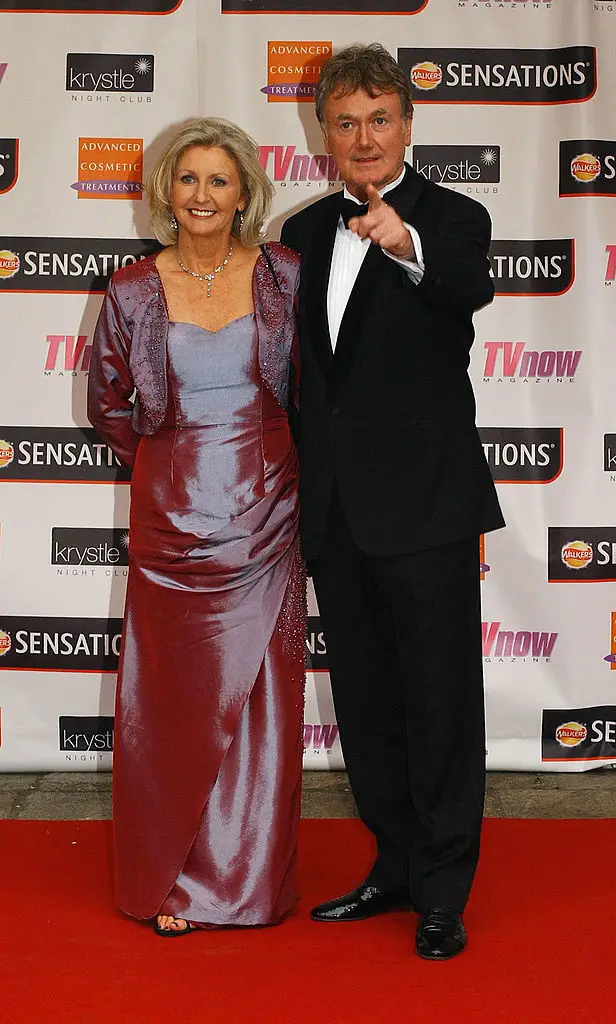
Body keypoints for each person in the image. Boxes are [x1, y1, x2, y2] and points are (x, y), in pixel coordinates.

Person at [281, 44, 504, 960]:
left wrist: (403, 244)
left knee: (441, 705)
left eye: (380, 119)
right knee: (368, 704)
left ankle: (445, 891)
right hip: (336, 513)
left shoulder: (453, 218)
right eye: (346, 122)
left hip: (426, 509)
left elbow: (466, 288)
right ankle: (396, 866)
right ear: (323, 133)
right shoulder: (298, 233)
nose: (364, 137)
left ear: (408, 125)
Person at [88, 117, 305, 936]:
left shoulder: (284, 275)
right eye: (188, 179)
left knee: (261, 704)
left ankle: (246, 885)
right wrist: (171, 463)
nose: (203, 195)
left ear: (245, 191)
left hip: (268, 514)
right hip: (169, 519)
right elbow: (109, 405)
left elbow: (311, 392)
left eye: (220, 180)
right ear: (165, 192)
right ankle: (172, 884)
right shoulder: (132, 289)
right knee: (172, 704)